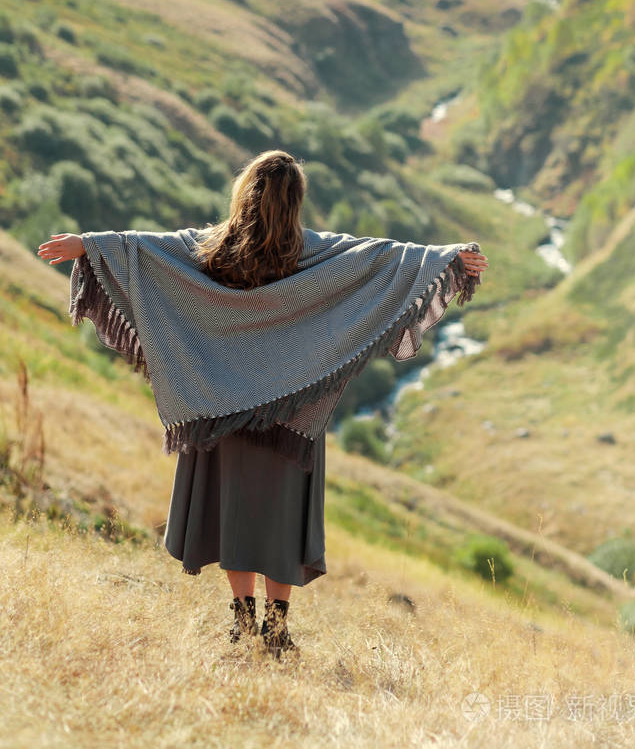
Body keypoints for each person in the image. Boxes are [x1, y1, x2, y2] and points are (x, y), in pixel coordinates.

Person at [37, 149, 488, 657]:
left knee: (233, 514)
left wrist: (88, 246)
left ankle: (242, 620)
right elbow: (385, 258)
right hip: (290, 416)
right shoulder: (319, 253)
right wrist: (450, 257)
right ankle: (276, 628)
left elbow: (144, 251)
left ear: (245, 192)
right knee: (279, 518)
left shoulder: (208, 249)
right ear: (295, 201)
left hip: (219, 406)